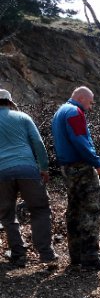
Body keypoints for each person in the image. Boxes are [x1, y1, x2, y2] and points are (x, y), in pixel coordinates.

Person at [51, 86, 100, 270]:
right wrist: (97, 163)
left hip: (67, 168)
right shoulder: (74, 112)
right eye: (90, 103)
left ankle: (76, 255)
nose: (90, 107)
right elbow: (81, 141)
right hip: (81, 167)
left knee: (75, 209)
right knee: (92, 208)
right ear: (82, 98)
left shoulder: (59, 112)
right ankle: (90, 258)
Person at [0, 89, 57, 267]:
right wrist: (44, 168)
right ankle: (46, 254)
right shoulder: (23, 117)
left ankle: (18, 255)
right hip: (27, 169)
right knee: (40, 210)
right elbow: (38, 143)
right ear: (10, 102)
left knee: (7, 215)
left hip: (2, 172)